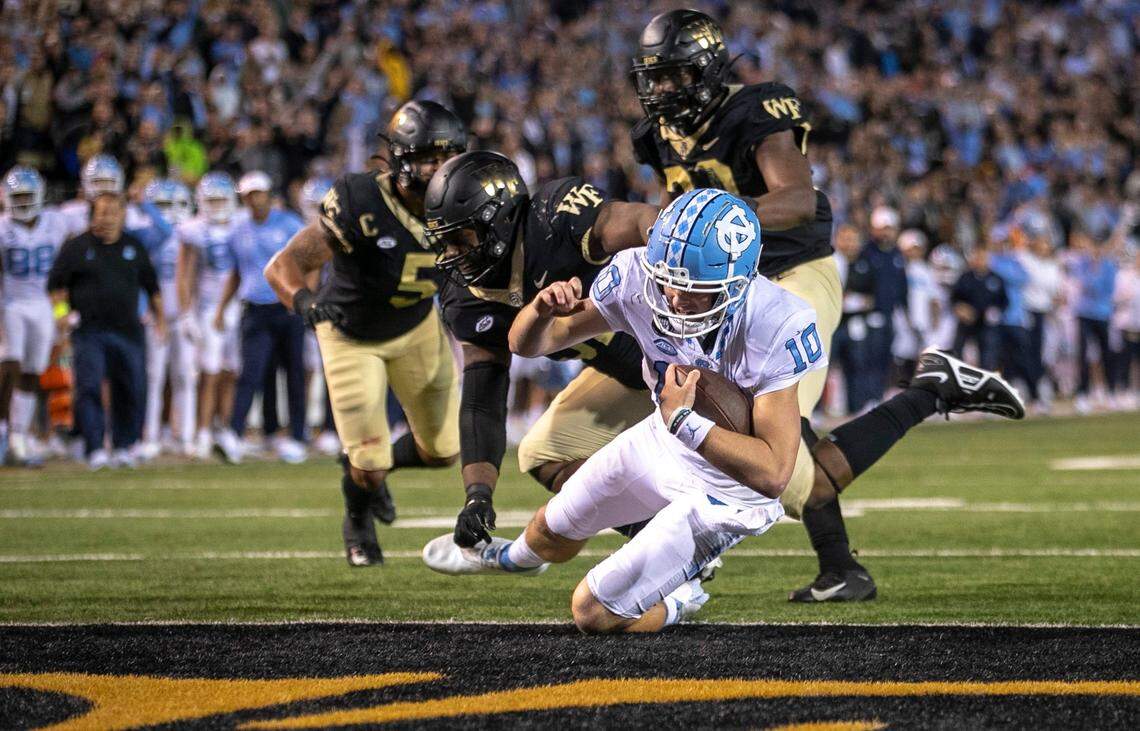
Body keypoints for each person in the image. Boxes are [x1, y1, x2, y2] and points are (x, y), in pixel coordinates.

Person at [423, 189, 1026, 629]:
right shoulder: (639, 274)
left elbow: (773, 473)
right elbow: (525, 345)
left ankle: (681, 596)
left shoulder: (778, 321)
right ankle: (505, 557)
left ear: (738, 283)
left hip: (727, 491)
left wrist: (690, 420)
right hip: (665, 435)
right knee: (546, 533)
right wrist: (541, 310)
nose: (676, 298)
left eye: (694, 288)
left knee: (590, 614)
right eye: (669, 281)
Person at [628, 9, 879, 601]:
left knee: (763, 412)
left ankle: (702, 549)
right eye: (655, 77)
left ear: (710, 70)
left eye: (676, 76)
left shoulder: (755, 111)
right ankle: (841, 567)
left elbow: (796, 200)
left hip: (791, 276)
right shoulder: (655, 136)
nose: (663, 90)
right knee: (733, 417)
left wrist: (716, 223)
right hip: (723, 291)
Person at [422, 150, 660, 551]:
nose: (451, 255)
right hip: (631, 373)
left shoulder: (555, 217)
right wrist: (478, 494)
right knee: (543, 452)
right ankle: (669, 542)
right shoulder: (469, 295)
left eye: (460, 239)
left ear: (496, 222)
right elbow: (483, 399)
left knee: (784, 479)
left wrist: (670, 251)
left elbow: (639, 220)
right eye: (444, 242)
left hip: (688, 351)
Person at [265, 101, 467, 566]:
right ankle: (357, 513)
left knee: (443, 452)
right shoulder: (363, 202)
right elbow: (284, 266)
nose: (437, 168)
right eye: (427, 157)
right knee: (370, 464)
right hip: (351, 334)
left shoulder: (459, 201)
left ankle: (360, 466)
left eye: (447, 156)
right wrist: (304, 302)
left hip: (416, 325)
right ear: (400, 157)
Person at [46, 192, 163, 469]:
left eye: (112, 212)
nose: (106, 217)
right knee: (89, 386)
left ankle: (124, 445)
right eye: (101, 212)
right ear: (92, 215)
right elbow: (55, 286)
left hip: (128, 330)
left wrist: (162, 321)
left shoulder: (134, 246)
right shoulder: (76, 247)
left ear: (123, 215)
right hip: (90, 330)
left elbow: (152, 287)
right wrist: (61, 316)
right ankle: (95, 447)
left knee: (130, 387)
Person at [214, 170, 306, 463]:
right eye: (249, 195)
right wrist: (220, 308)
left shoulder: (290, 223)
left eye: (259, 194)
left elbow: (311, 262)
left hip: (288, 306)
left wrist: (307, 297)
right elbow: (236, 273)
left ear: (269, 194)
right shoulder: (237, 230)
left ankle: (297, 436)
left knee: (293, 373)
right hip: (255, 308)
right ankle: (234, 434)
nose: (255, 200)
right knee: (251, 373)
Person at [0, 166, 70, 465]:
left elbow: (63, 273)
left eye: (28, 195)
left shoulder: (56, 223)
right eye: (19, 196)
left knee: (32, 371)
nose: (24, 201)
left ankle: (19, 436)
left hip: (43, 304)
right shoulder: (3, 227)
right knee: (9, 362)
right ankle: (3, 431)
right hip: (11, 302)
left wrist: (61, 312)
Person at [175, 172, 244, 459]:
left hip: (238, 307)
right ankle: (202, 431)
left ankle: (223, 429)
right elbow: (185, 275)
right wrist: (187, 312)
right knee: (210, 372)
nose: (216, 205)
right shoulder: (193, 230)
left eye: (221, 199)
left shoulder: (242, 223)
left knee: (231, 372)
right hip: (207, 308)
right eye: (211, 200)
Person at [137, 178, 197, 460]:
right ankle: (150, 434)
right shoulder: (147, 235)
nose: (171, 212)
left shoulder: (195, 232)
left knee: (185, 375)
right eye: (163, 205)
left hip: (184, 312)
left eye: (176, 204)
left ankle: (184, 435)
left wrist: (192, 312)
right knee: (154, 377)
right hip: (156, 313)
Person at [1070, 229, 1119, 413]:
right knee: (1082, 355)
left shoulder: (1109, 266)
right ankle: (1083, 394)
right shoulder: (1082, 263)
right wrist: (1094, 274)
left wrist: (1095, 275)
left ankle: (1111, 392)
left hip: (1103, 314)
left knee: (1107, 354)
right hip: (1084, 313)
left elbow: (1105, 290)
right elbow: (1083, 284)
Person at [952, 246, 1006, 369]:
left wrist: (996, 312)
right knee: (958, 350)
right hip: (967, 321)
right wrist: (960, 308)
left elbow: (1003, 301)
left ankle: (985, 381)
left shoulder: (996, 279)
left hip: (986, 323)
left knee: (988, 354)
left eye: (984, 258)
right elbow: (955, 297)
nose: (981, 260)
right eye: (978, 257)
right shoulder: (965, 278)